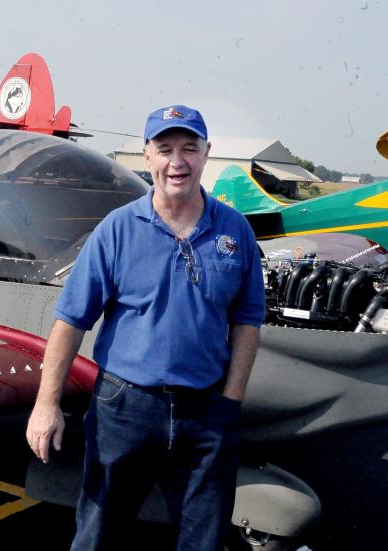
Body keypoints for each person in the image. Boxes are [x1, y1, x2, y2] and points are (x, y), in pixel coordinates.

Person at [26, 105, 265, 550]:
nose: (178, 162)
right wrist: (47, 405)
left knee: (204, 539)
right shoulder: (116, 230)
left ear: (206, 154)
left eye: (189, 148)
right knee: (99, 532)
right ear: (147, 157)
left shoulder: (235, 232)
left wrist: (230, 402)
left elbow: (247, 321)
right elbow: (70, 321)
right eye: (165, 149)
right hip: (125, 408)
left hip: (206, 411)